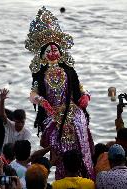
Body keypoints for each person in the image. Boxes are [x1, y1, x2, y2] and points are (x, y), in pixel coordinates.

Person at [25, 7, 94, 180]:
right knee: (58, 148)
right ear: (42, 55)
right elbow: (32, 93)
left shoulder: (69, 70)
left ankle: (86, 173)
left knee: (80, 129)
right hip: (52, 113)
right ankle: (62, 177)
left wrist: (85, 96)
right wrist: (41, 101)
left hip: (73, 110)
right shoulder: (40, 75)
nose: (52, 53)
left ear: (61, 52)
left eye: (55, 50)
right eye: (48, 51)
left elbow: (80, 87)